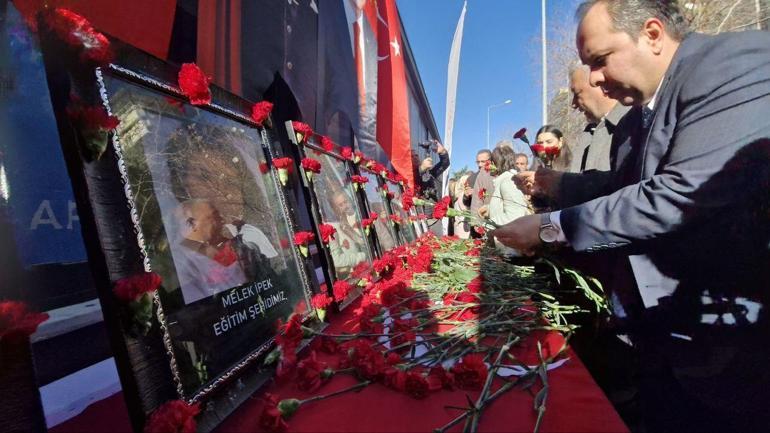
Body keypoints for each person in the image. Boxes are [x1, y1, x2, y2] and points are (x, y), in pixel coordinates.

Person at [494, 1, 770, 431]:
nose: (596, 80)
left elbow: (677, 194)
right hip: (662, 338)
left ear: (653, 34)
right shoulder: (641, 115)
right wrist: (559, 186)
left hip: (731, 347)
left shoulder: (732, 65)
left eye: (600, 61)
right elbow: (622, 187)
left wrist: (550, 227)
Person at [174, 199, 248, 304]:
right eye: (210, 217)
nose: (220, 221)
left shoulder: (215, 246)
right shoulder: (180, 262)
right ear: (191, 225)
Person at [568, 63, 631, 172]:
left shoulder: (634, 127)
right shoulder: (589, 134)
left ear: (601, 84)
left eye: (577, 93)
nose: (573, 104)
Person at [327, 190, 369, 278]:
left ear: (350, 200)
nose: (345, 206)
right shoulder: (341, 225)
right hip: (362, 267)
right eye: (340, 205)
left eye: (345, 202)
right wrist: (364, 255)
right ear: (336, 208)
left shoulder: (362, 212)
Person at [486, 146, 530, 227]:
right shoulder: (505, 180)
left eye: (491, 162)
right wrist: (489, 209)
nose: (488, 166)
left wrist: (488, 225)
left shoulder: (508, 181)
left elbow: (515, 217)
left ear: (496, 163)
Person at [453, 173, 472, 239]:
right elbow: (466, 210)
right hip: (464, 227)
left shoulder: (458, 195)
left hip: (459, 225)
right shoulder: (463, 195)